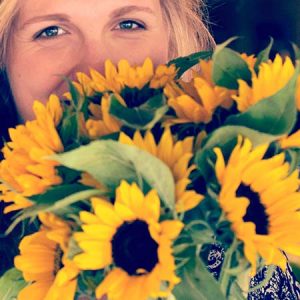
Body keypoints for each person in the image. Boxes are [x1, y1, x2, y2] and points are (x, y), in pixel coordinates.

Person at [0, 0, 299, 299]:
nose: (97, 65)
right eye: (50, 31)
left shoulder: (232, 242)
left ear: (172, 44)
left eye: (129, 24)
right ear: (4, 55)